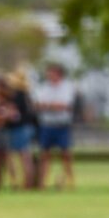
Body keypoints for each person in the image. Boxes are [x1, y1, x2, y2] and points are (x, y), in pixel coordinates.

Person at [33, 62, 77, 190]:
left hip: (62, 125)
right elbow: (38, 105)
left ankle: (70, 181)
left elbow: (65, 105)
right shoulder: (43, 87)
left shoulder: (67, 87)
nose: (49, 76)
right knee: (44, 154)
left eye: (52, 73)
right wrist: (53, 106)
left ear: (59, 74)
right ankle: (43, 182)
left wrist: (48, 106)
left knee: (66, 154)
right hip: (47, 125)